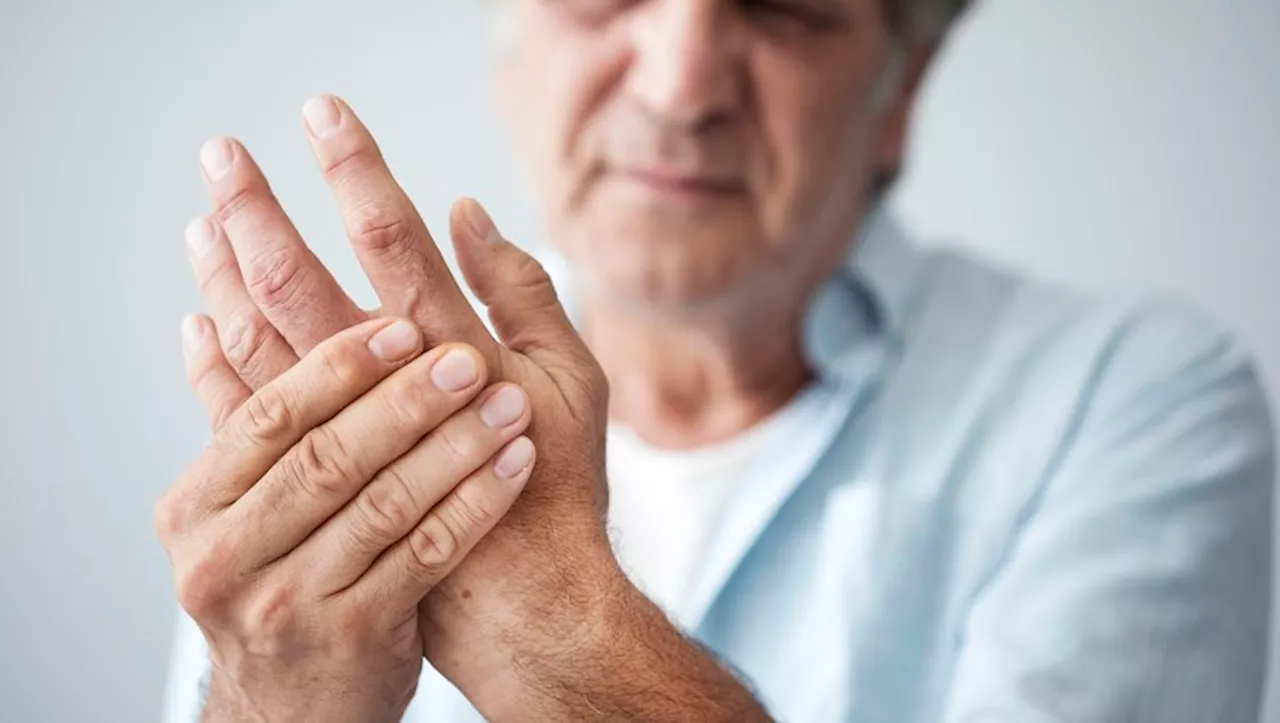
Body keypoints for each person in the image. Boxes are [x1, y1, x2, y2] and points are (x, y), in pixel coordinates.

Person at [157, 1, 1275, 721]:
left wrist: (555, 622)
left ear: (900, 96)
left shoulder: (1134, 401)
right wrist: (272, 703)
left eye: (783, 9)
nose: (678, 87)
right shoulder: (350, 417)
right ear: (512, 51)